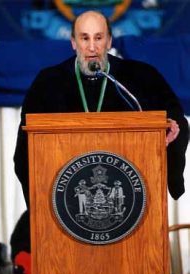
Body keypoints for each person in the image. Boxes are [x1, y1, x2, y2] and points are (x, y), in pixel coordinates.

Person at [14, 10, 189, 209]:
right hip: (67, 206)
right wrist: (39, 207)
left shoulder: (141, 77)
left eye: (98, 38)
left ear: (109, 41)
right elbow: (25, 150)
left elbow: (176, 123)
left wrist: (168, 136)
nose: (92, 47)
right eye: (84, 38)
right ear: (73, 43)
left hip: (129, 202)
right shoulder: (48, 82)